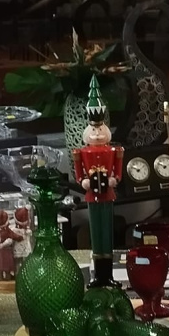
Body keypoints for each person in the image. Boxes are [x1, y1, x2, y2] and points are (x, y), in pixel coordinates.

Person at [72, 75, 123, 288]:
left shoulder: (114, 150)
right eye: (93, 129)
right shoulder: (82, 152)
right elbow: (79, 174)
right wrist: (83, 181)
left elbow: (118, 173)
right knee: (96, 233)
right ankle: (98, 275)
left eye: (99, 129)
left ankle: (108, 274)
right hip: (92, 196)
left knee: (107, 233)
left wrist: (113, 180)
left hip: (107, 195)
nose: (96, 133)